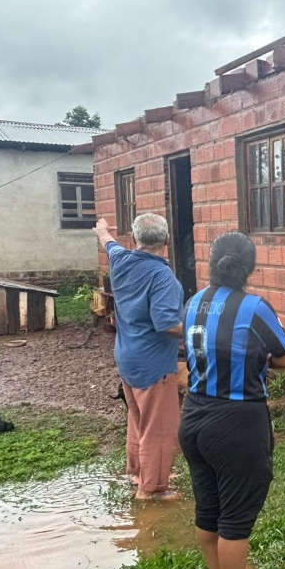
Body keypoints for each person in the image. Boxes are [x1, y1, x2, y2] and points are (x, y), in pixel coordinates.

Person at [178, 231, 285, 569]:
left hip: (193, 416)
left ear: (211, 264)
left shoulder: (193, 302)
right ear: (250, 268)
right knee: (237, 513)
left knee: (208, 505)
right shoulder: (255, 307)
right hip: (237, 423)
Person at [94, 214, 184, 501]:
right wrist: (198, 327)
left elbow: (108, 242)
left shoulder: (120, 260)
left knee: (138, 419)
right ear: (166, 242)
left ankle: (137, 473)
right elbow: (168, 325)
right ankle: (153, 489)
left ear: (134, 240)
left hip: (127, 357)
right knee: (159, 429)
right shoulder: (161, 277)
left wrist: (101, 229)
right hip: (153, 364)